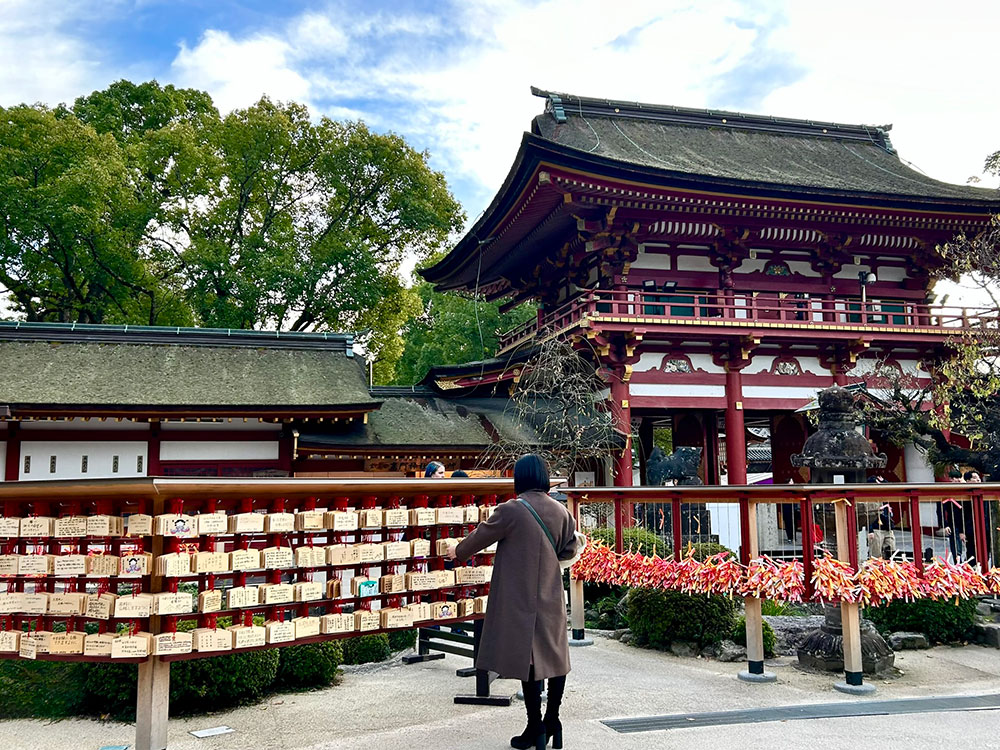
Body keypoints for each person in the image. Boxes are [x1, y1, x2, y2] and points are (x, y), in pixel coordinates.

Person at [446, 454, 577, 750]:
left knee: (527, 659)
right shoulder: (561, 511)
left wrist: (457, 551)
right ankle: (552, 719)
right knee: (555, 657)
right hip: (551, 593)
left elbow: (482, 535)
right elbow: (569, 548)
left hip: (520, 597)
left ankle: (534, 726)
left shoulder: (512, 510)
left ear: (520, 478)